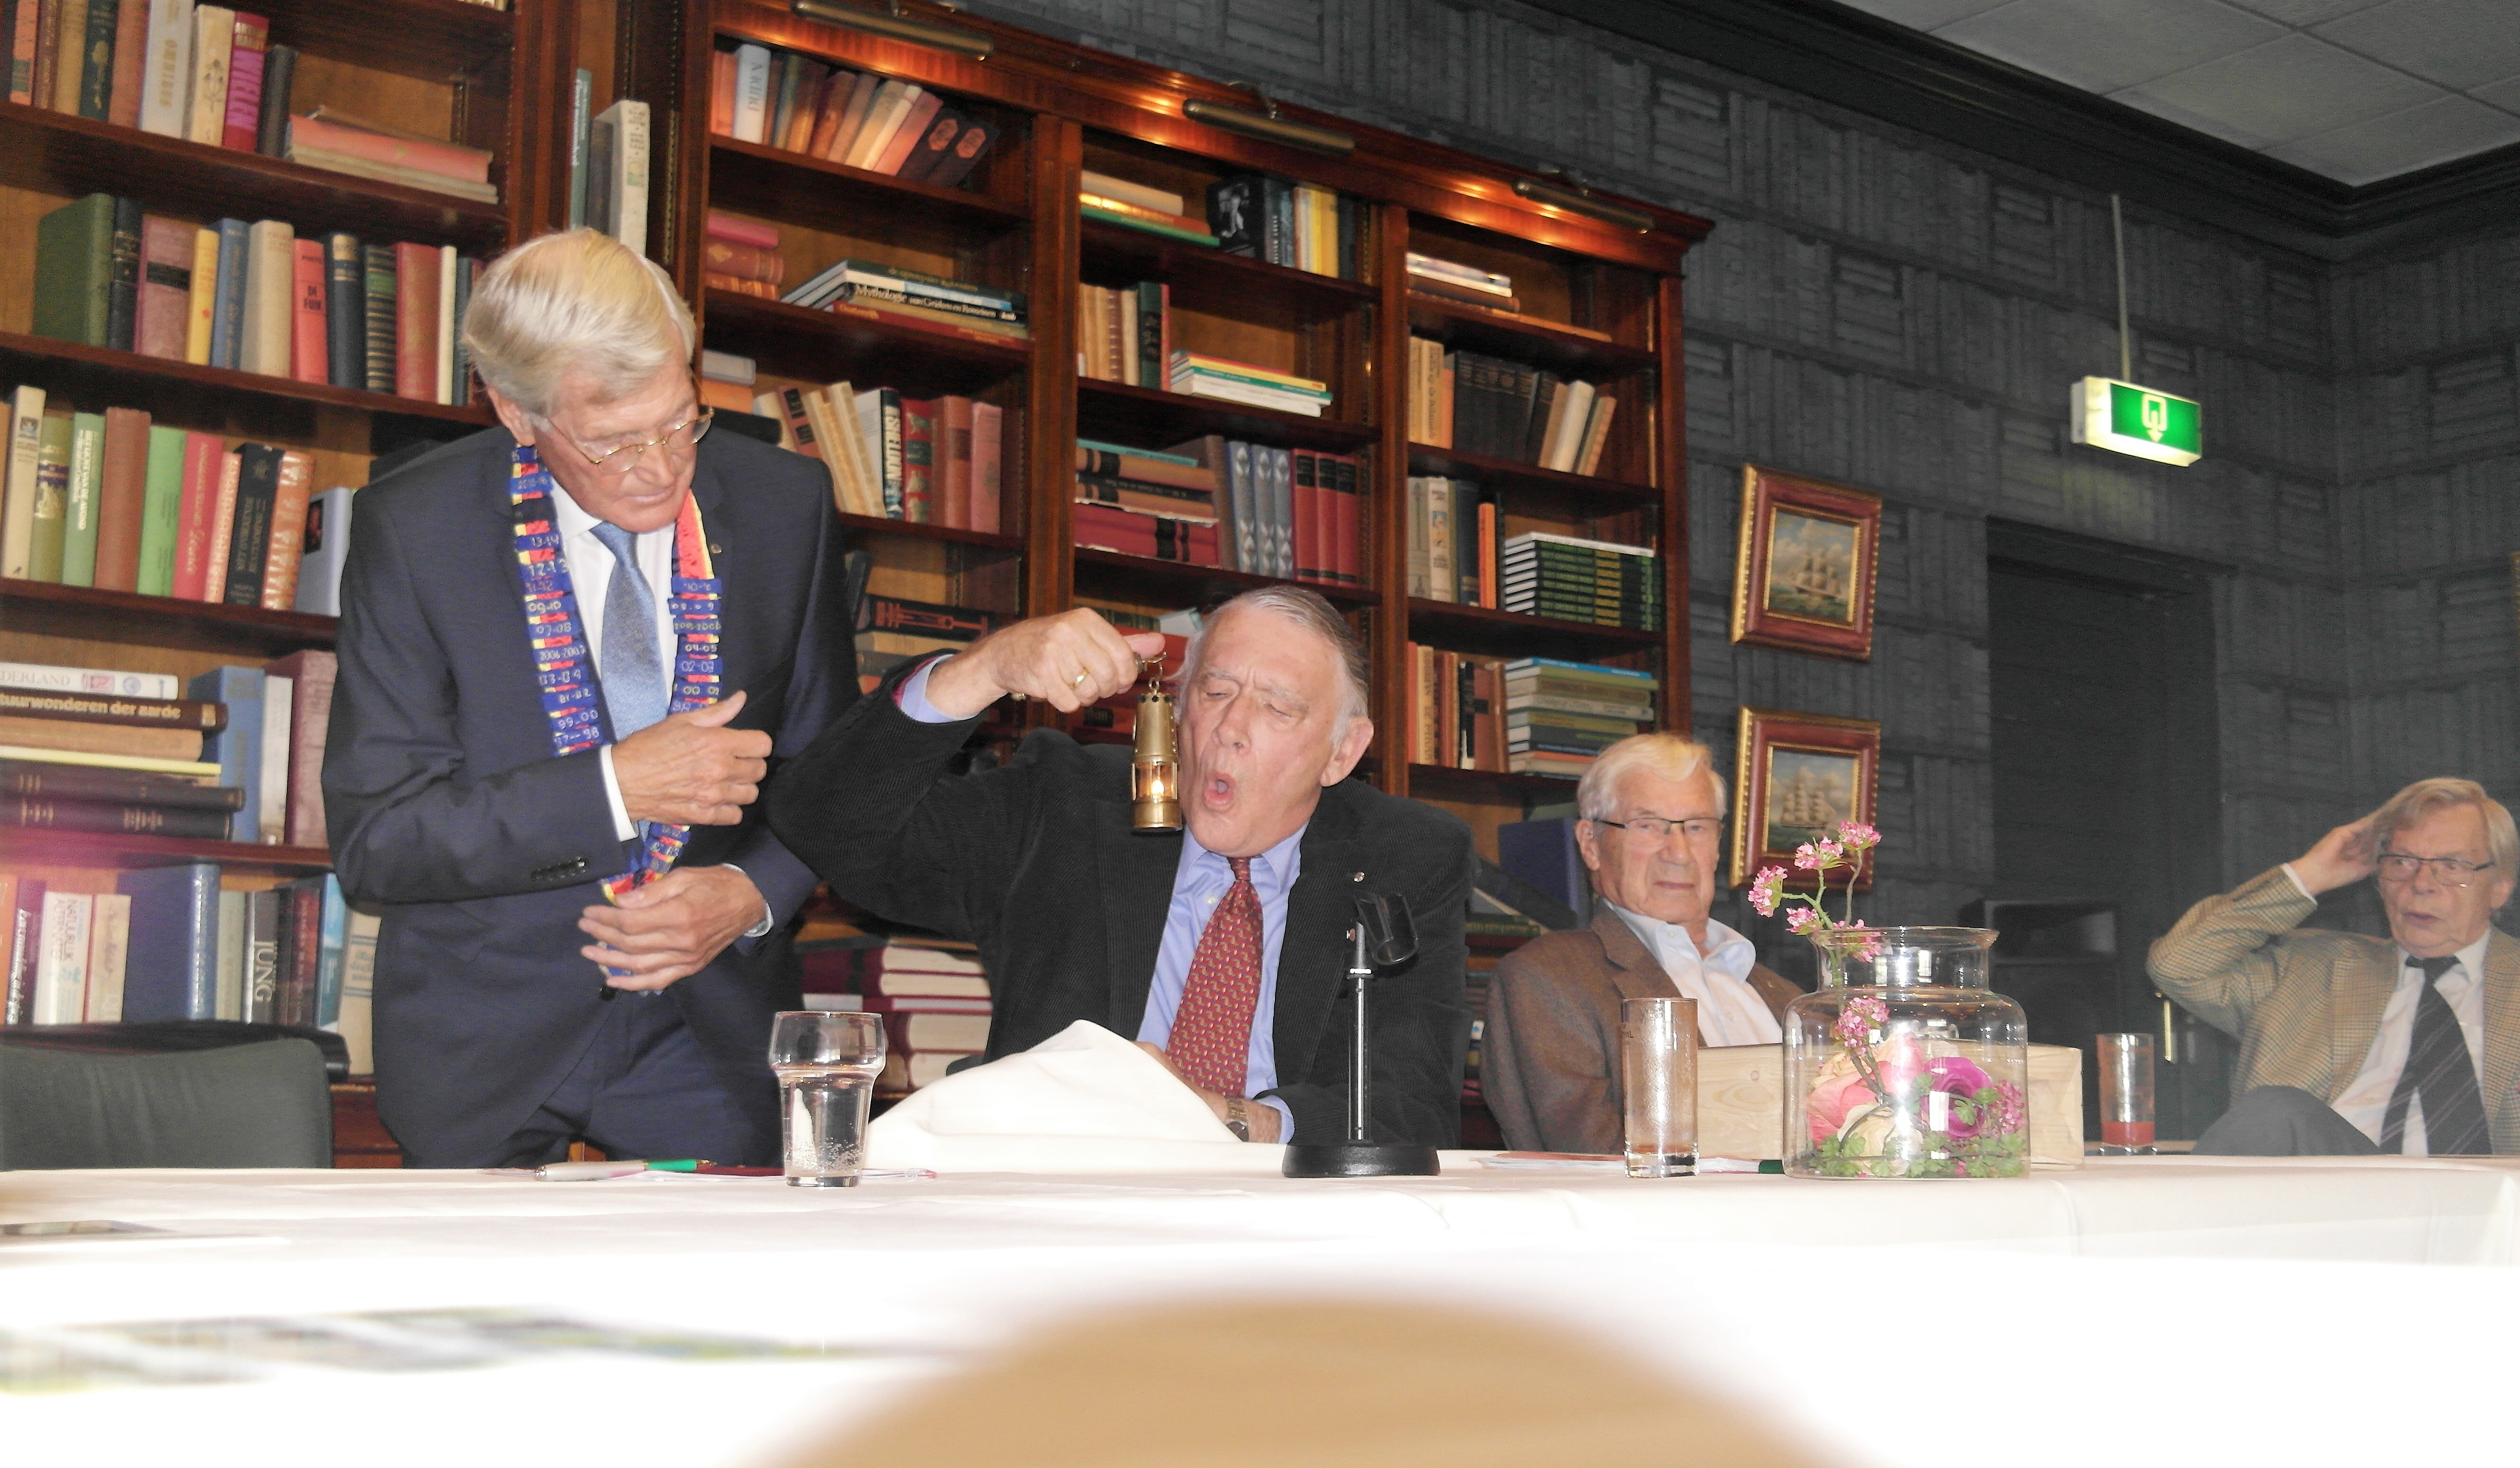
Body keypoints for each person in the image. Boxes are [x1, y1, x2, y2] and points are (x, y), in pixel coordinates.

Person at [323, 230, 855, 1167]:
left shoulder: (787, 504)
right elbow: (379, 842)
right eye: (611, 440)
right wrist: (615, 787)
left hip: (710, 1026)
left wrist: (749, 893)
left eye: (681, 420)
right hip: (483, 1037)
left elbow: (833, 773)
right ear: (515, 411)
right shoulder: (413, 529)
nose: (660, 467)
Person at [766, 586, 1473, 1148]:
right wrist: (983, 671)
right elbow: (825, 823)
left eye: (1278, 708)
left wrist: (1228, 1121)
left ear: (1343, 752)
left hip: (1292, 1226)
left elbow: (1411, 1109)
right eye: (1215, 692)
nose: (1230, 728)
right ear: (1178, 708)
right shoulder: (1066, 804)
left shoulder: (1405, 856)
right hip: (1064, 1206)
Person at [2149, 777, 2520, 1155]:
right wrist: (2310, 874)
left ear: (2499, 888)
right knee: (2277, 1111)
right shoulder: (2306, 971)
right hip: (2330, 1201)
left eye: (2451, 866)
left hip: (2500, 1208)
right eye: (2401, 862)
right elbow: (2178, 964)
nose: (2421, 884)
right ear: (2378, 879)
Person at [1481, 733, 1801, 1152]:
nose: (1679, 853)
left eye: (1697, 827)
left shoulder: (1786, 996)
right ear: (1591, 845)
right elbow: (1592, 1160)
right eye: (1648, 826)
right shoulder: (1550, 979)